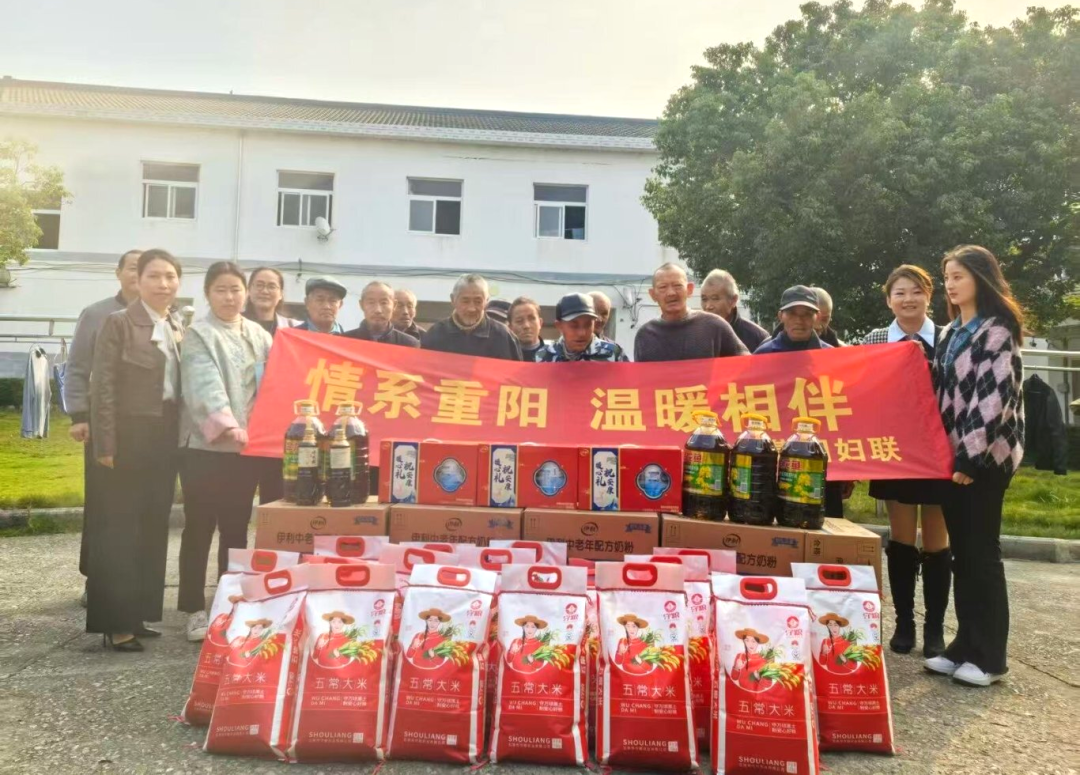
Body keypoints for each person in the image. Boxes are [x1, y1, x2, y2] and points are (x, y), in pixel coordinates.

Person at [925, 245, 1025, 688]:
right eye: (947, 276)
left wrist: (970, 455)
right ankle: (964, 645)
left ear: (981, 279)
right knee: (961, 555)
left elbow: (994, 398)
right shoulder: (950, 332)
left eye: (958, 276)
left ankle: (990, 658)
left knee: (981, 553)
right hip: (952, 457)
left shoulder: (997, 329)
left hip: (985, 458)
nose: (950, 284)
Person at [87, 248, 184, 652]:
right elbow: (103, 387)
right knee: (120, 529)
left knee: (153, 525)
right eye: (154, 276)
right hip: (128, 433)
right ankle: (116, 623)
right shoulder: (119, 322)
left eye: (170, 276)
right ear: (138, 280)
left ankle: (139, 614)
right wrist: (106, 442)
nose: (163, 284)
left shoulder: (175, 323)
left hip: (165, 434)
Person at [177, 262, 273, 642]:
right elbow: (204, 385)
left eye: (236, 289)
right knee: (199, 526)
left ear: (245, 293)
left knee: (236, 527)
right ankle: (192, 608)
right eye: (221, 290)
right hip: (205, 448)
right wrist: (228, 424)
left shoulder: (259, 335)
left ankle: (228, 601)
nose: (230, 297)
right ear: (207, 294)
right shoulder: (199, 334)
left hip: (247, 450)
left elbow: (275, 383)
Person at [862, 265, 950, 658]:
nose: (908, 299)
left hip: (937, 451)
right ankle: (904, 623)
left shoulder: (949, 338)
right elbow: (864, 391)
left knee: (936, 542)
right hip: (895, 451)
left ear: (929, 295)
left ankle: (935, 628)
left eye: (916, 291)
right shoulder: (876, 338)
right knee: (900, 539)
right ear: (888, 300)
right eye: (899, 293)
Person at [65, 249, 142, 607]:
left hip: (147, 429)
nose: (140, 275)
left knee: (138, 506)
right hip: (103, 425)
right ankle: (94, 578)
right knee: (102, 504)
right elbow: (77, 366)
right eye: (133, 268)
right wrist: (79, 415)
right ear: (118, 273)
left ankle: (132, 581)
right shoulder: (96, 314)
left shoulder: (165, 317)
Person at [634, 262, 748, 361]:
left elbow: (746, 366)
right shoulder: (645, 336)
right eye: (663, 287)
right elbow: (641, 377)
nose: (671, 293)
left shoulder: (714, 326)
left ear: (689, 289)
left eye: (677, 285)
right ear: (653, 295)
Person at [422, 273, 523, 360]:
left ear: (486, 301)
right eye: (465, 301)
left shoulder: (503, 336)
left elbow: (514, 374)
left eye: (478, 301)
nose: (471, 308)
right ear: (453, 300)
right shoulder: (436, 334)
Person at [537, 293, 628, 362]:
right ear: (559, 326)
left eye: (588, 324)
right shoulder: (543, 356)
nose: (582, 333)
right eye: (574, 326)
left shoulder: (613, 354)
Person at [699, 269, 769, 352]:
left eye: (715, 299)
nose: (708, 306)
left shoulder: (757, 337)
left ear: (733, 300)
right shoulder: (694, 334)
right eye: (704, 299)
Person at [754, 285, 833, 354]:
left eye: (807, 314)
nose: (799, 320)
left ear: (817, 317)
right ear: (780, 316)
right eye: (791, 313)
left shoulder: (830, 356)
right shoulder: (762, 355)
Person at [344, 281, 420, 347]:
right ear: (361, 305)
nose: (378, 310)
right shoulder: (344, 341)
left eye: (384, 303)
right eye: (371, 302)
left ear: (394, 305)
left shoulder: (408, 344)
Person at [243, 266, 300, 336]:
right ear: (249, 290)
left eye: (272, 287)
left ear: (281, 294)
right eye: (259, 285)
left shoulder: (295, 328)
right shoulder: (233, 324)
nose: (265, 291)